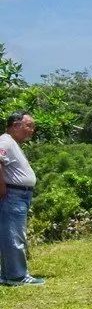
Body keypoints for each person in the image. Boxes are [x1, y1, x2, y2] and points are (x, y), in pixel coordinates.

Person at [0, 112, 44, 286]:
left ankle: (7, 274)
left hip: (19, 195)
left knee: (11, 234)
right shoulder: (5, 141)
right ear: (16, 125)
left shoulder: (12, 143)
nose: (31, 130)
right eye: (29, 126)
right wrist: (2, 187)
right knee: (14, 235)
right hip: (13, 194)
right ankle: (17, 276)